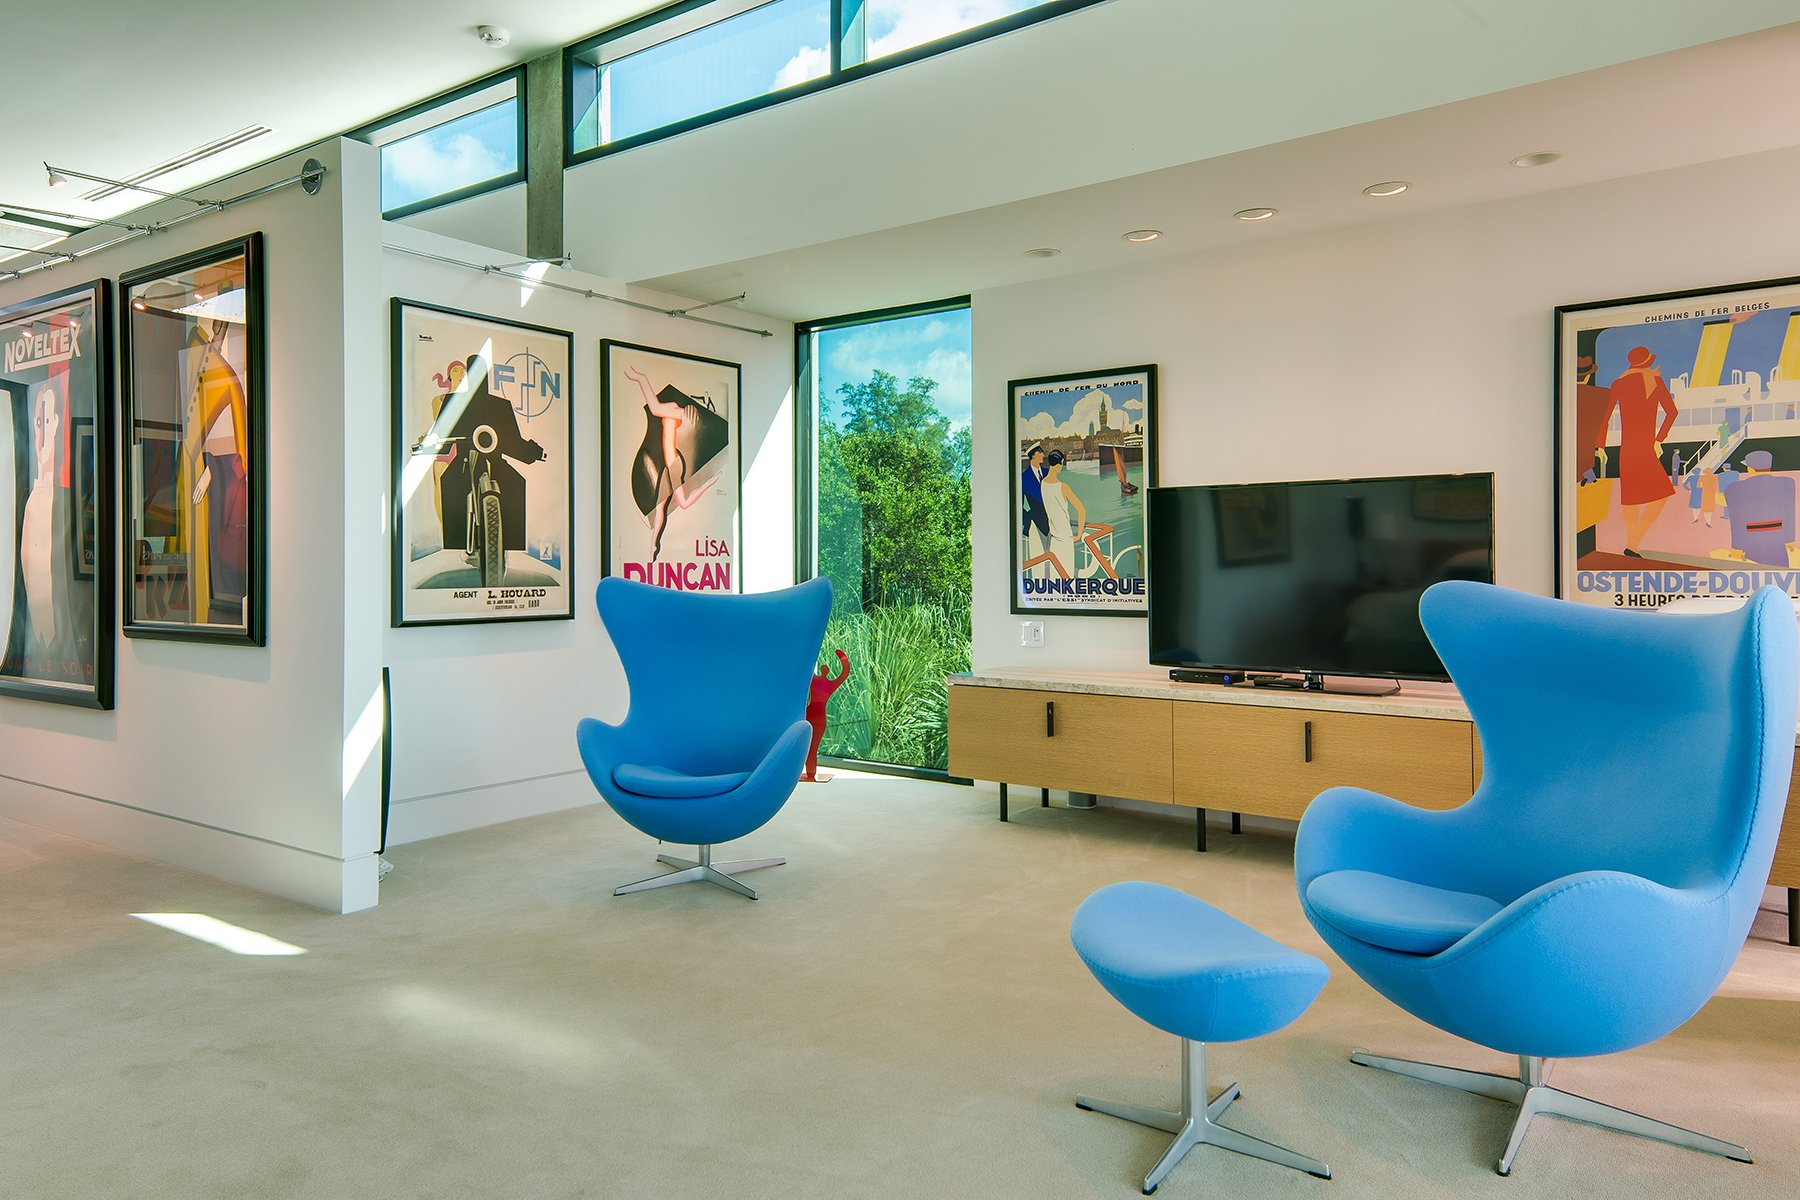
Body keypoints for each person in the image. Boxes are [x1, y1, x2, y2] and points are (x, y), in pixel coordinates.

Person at [429, 352, 545, 566]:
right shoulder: (454, 403)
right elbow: (440, 434)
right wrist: (431, 444)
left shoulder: (500, 405)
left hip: (494, 460)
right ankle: (461, 543)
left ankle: (505, 544)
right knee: (451, 482)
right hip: (465, 460)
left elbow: (513, 441)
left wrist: (533, 452)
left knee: (515, 483)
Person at [624, 364, 712, 563]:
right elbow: (655, 407)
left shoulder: (677, 411)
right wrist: (640, 377)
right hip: (666, 462)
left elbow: (655, 408)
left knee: (682, 503)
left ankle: (710, 482)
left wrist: (641, 378)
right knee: (660, 506)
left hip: (673, 462)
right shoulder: (674, 409)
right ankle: (654, 544)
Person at [1606, 346, 1679, 557]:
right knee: (1662, 494)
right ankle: (1633, 544)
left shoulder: (1618, 383)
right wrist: (1659, 439)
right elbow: (1672, 412)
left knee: (1630, 500)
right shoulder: (1655, 381)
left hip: (1627, 448)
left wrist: (1600, 445)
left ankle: (1632, 544)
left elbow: (1606, 415)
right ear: (1648, 362)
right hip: (1647, 447)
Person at [1038, 449, 1088, 578]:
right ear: (1059, 464)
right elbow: (1081, 510)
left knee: (1055, 575)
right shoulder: (1062, 486)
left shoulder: (1042, 484)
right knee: (1067, 575)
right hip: (1066, 537)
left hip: (1054, 538)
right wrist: (1079, 535)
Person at [1019, 444, 1049, 572]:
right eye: (1040, 453)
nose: (1043, 455)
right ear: (1033, 456)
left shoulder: (1048, 472)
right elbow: (1019, 506)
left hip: (1054, 524)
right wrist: (1029, 521)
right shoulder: (1024, 478)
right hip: (1037, 526)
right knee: (1040, 562)